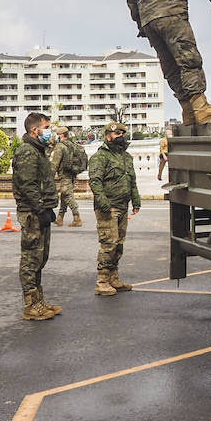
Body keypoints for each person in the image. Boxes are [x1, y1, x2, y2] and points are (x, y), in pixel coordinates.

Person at [12, 112, 62, 320]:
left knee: (40, 258)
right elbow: (27, 184)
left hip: (40, 210)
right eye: (47, 127)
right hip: (32, 213)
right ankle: (31, 305)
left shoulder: (37, 151)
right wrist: (39, 209)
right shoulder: (27, 152)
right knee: (31, 259)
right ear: (35, 130)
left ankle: (39, 301)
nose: (50, 131)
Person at [87, 121, 141, 296]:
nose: (121, 136)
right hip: (108, 208)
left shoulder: (126, 157)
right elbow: (95, 182)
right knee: (108, 244)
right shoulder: (100, 157)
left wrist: (136, 200)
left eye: (122, 133)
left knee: (119, 245)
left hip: (123, 206)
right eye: (117, 133)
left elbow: (132, 180)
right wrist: (105, 205)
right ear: (108, 135)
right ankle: (102, 281)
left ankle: (113, 277)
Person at [50, 125, 84, 227]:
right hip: (72, 174)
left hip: (65, 175)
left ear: (61, 135)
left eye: (57, 135)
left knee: (68, 196)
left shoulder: (60, 147)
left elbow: (55, 163)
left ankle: (77, 218)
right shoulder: (71, 145)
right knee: (64, 195)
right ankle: (60, 218)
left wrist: (49, 177)